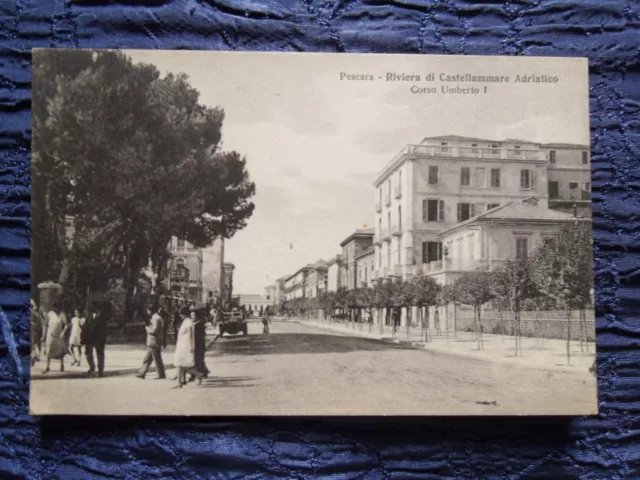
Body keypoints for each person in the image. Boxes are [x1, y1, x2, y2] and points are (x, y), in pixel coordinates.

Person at [174, 306, 205, 388]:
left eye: (181, 314)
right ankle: (179, 382)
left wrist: (191, 346)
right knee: (179, 364)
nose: (180, 316)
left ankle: (198, 374)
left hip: (186, 346)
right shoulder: (185, 321)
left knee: (183, 365)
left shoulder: (189, 322)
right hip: (181, 345)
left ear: (184, 314)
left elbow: (191, 336)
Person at [136, 305, 166, 380]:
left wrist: (147, 329)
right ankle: (142, 373)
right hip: (154, 342)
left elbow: (154, 331)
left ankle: (161, 374)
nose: (147, 312)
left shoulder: (156, 318)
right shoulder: (156, 317)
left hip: (154, 342)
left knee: (156, 359)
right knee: (148, 359)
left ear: (150, 310)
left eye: (148, 310)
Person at [42, 302, 68, 373]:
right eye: (54, 308)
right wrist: (43, 335)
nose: (55, 309)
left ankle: (62, 365)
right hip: (50, 334)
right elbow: (45, 324)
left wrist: (63, 332)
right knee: (49, 350)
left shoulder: (62, 314)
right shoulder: (50, 314)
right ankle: (47, 366)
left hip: (59, 335)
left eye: (57, 308)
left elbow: (66, 325)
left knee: (60, 350)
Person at [83, 306, 108, 377]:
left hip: (99, 339)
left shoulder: (103, 319)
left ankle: (100, 370)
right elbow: (86, 328)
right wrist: (84, 338)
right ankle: (92, 367)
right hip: (89, 338)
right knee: (88, 353)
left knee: (100, 354)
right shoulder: (89, 317)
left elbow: (104, 331)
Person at [30, 299, 43, 366]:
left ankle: (33, 358)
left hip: (32, 331)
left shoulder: (34, 314)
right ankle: (33, 358)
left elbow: (38, 324)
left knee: (32, 346)